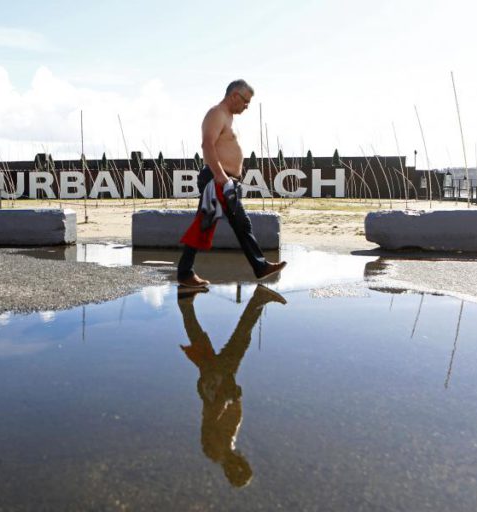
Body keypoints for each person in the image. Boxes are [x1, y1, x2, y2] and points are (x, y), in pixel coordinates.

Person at [177, 79, 287, 288]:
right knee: (226, 224)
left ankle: (186, 272)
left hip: (225, 180)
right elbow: (207, 145)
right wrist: (220, 176)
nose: (247, 106)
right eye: (246, 101)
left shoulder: (227, 117)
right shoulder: (216, 113)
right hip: (218, 179)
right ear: (234, 95)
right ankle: (259, 266)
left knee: (214, 224)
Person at [177, 285, 287, 487]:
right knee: (232, 340)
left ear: (234, 467)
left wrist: (226, 399)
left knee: (232, 340)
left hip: (215, 388)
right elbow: (231, 418)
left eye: (241, 463)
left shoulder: (217, 451)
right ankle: (185, 300)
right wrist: (235, 399)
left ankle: (186, 300)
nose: (242, 458)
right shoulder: (225, 449)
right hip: (218, 387)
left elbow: (212, 419)